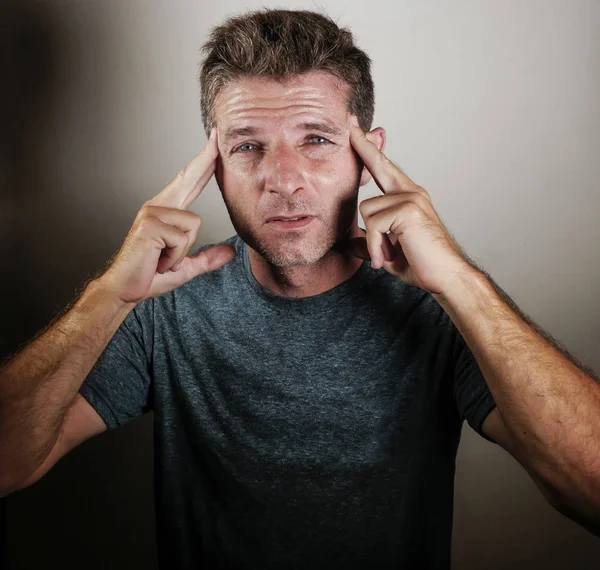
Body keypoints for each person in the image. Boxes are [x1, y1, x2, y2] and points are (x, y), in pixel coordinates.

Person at [0, 8, 599, 570]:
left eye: (315, 139)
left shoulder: (439, 308)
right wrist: (109, 294)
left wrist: (462, 284)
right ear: (214, 167)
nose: (284, 181)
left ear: (368, 155)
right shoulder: (162, 306)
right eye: (247, 146)